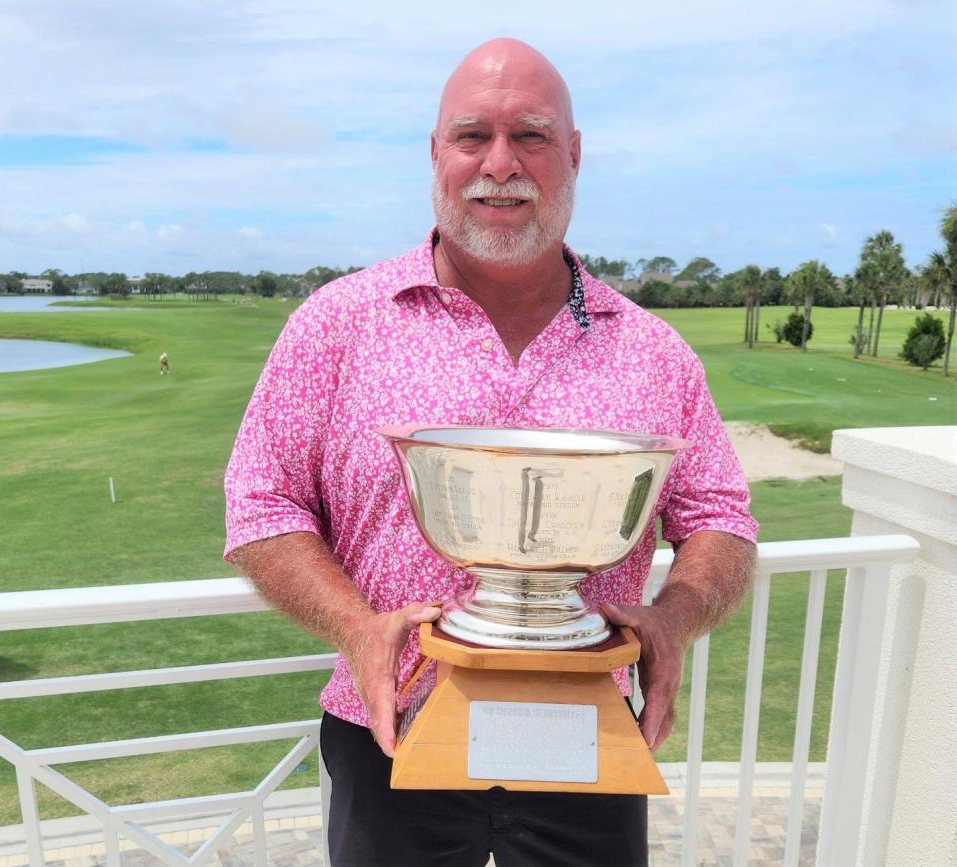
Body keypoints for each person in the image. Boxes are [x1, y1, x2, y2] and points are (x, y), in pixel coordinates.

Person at [224, 38, 757, 866]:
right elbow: (261, 501)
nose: (499, 163)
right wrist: (356, 627)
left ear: (573, 154)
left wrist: (674, 619)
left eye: (532, 136)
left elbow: (720, 515)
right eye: (473, 135)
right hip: (393, 726)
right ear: (436, 152)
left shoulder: (653, 352)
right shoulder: (337, 324)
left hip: (586, 733)